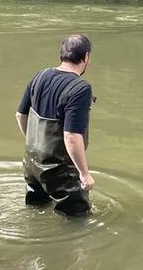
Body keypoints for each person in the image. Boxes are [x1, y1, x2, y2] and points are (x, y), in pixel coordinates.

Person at [15, 34, 95, 216]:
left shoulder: (40, 76)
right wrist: (84, 173)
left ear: (63, 54)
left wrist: (37, 148)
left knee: (35, 213)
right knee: (77, 220)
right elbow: (71, 136)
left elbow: (20, 115)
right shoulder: (80, 88)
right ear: (86, 57)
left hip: (31, 164)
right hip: (60, 173)